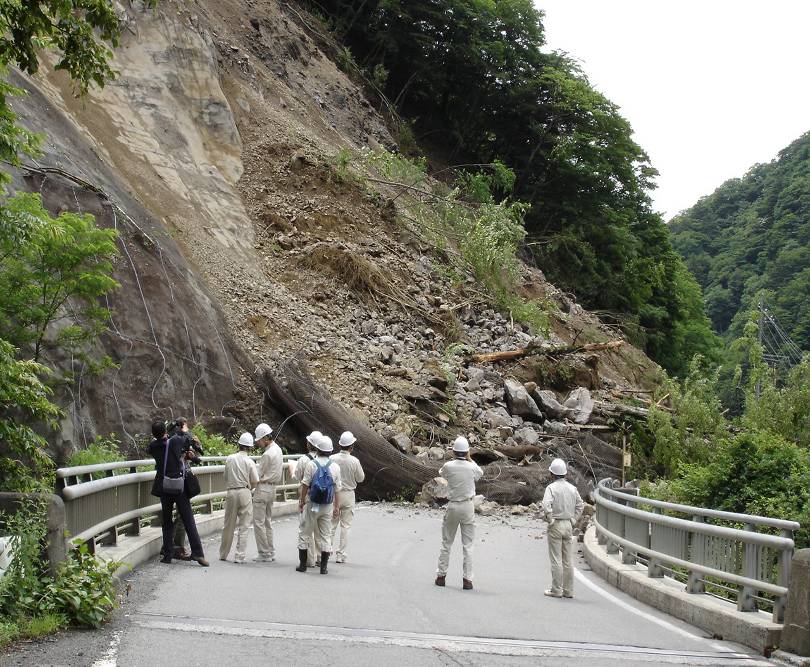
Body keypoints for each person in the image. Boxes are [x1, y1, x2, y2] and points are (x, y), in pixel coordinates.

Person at [148, 420, 208, 566]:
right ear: (166, 432)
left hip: (164, 487)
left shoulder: (153, 446)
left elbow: (161, 442)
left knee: (167, 521)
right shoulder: (174, 442)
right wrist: (184, 429)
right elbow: (187, 440)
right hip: (179, 487)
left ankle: (168, 555)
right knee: (188, 520)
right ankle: (198, 554)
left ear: (153, 434)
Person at [435, 436, 482, 590]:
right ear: (467, 452)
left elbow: (442, 472)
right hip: (468, 505)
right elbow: (480, 473)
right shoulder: (472, 467)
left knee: (446, 542)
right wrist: (470, 459)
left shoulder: (448, 466)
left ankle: (441, 576)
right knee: (468, 545)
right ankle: (467, 580)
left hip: (453, 505)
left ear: (454, 451)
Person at [296, 435, 342, 574]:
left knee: (304, 533)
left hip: (312, 503)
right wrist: (336, 507)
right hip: (327, 505)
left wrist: (302, 500)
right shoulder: (335, 467)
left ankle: (303, 565)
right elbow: (337, 489)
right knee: (325, 535)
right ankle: (323, 567)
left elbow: (305, 484)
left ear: (318, 449)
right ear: (330, 451)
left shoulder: (312, 464)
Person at [541, 458, 585, 599]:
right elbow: (580, 505)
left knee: (556, 559)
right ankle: (568, 590)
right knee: (568, 559)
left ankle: (556, 589)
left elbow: (546, 505)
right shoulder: (572, 488)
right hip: (568, 525)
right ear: (565, 473)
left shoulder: (551, 488)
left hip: (556, 524)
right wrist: (574, 519)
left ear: (552, 474)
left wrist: (550, 519)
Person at [219, 432, 259, 564]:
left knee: (228, 525)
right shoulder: (249, 461)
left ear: (239, 445)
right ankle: (239, 556)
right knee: (244, 525)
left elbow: (225, 476)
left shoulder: (230, 458)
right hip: (245, 492)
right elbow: (255, 480)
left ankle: (223, 554)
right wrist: (249, 488)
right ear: (250, 447)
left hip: (231, 492)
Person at [329, 431, 365, 563]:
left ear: (340, 445)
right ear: (351, 447)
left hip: (334, 494)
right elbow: (360, 478)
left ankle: (326, 550)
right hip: (349, 494)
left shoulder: (332, 458)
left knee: (331, 524)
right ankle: (341, 554)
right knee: (346, 526)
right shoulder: (355, 461)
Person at [252, 422, 283, 562]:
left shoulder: (267, 454)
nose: (258, 443)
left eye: (259, 440)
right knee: (268, 521)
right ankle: (270, 551)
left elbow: (257, 475)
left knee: (259, 522)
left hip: (263, 488)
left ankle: (264, 553)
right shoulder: (278, 449)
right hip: (272, 489)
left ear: (265, 438)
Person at [294, 431, 320, 568]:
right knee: (319, 529)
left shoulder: (304, 460)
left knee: (306, 528)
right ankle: (321, 557)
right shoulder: (326, 460)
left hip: (309, 497)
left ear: (309, 444)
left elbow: (298, 476)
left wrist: (301, 500)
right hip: (322, 500)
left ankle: (310, 560)